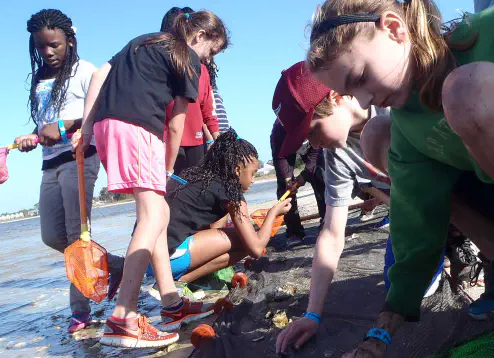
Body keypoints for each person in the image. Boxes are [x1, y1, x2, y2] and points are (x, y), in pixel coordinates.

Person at [306, 0, 494, 355]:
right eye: (349, 94)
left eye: (360, 78)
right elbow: (415, 224)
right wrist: (381, 332)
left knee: (468, 89)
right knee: (380, 134)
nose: (363, 98)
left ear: (394, 28)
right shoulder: (407, 124)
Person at [274, 61, 458, 354]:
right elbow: (332, 233)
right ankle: (443, 244)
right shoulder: (335, 154)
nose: (313, 143)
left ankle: (471, 240)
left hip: (452, 184)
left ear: (334, 97)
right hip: (411, 209)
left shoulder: (387, 104)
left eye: (312, 131)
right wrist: (312, 314)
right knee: (397, 282)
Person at [74, 10, 228, 348]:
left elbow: (101, 73)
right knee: (155, 214)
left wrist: (87, 127)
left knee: (156, 212)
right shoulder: (187, 58)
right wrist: (169, 168)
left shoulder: (144, 41)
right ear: (200, 36)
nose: (209, 59)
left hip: (107, 126)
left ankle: (171, 303)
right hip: (137, 128)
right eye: (212, 51)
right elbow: (176, 123)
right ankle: (123, 317)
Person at [13, 9, 124, 334]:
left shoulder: (85, 71)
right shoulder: (40, 78)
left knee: (76, 238)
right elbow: (44, 122)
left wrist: (62, 126)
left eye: (55, 45)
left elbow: (102, 107)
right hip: (49, 164)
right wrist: (32, 137)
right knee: (52, 236)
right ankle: (114, 265)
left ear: (70, 41)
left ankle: (80, 310)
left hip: (80, 159)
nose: (48, 52)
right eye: (41, 47)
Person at [146, 129, 292, 286]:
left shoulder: (199, 178)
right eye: (253, 173)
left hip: (147, 258)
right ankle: (181, 280)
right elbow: (256, 249)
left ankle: (182, 277)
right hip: (166, 260)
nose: (253, 180)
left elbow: (216, 228)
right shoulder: (230, 192)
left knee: (240, 235)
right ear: (237, 170)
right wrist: (273, 213)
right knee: (246, 241)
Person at [160, 7, 228, 174]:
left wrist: (216, 138)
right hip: (166, 139)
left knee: (195, 192)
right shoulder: (163, 64)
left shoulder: (202, 70)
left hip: (196, 142)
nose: (208, 58)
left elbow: (208, 110)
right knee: (170, 192)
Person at [270, 119, 326, 245]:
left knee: (319, 173)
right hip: (284, 150)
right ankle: (294, 231)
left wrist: (305, 175)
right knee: (285, 187)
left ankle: (326, 221)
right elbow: (280, 157)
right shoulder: (279, 132)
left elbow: (316, 153)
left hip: (313, 146)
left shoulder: (314, 122)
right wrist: (288, 179)